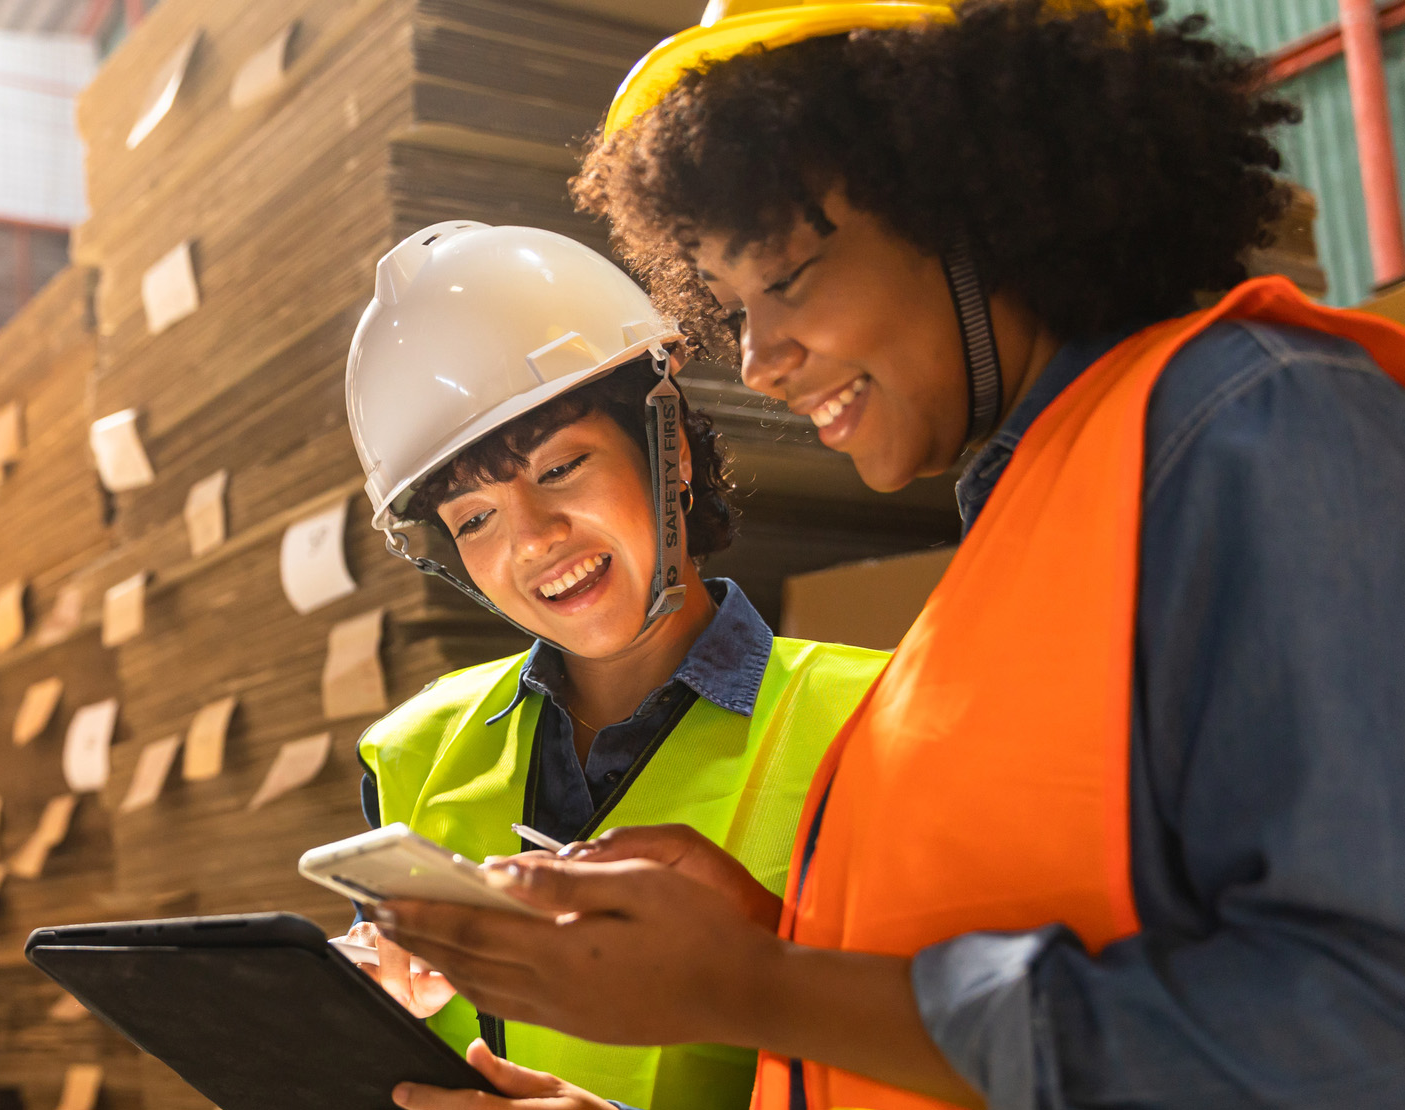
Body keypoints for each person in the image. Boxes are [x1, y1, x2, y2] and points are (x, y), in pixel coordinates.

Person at [371, 2, 1405, 1109]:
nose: (759, 360)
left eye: (789, 278)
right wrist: (771, 956)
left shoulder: (1254, 424)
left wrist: (755, 985)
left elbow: (1358, 1032)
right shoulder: (1030, 526)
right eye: (731, 308)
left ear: (977, 198)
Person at [337, 219, 889, 1110]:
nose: (532, 540)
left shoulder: (876, 720)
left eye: (559, 468)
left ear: (666, 449)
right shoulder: (412, 752)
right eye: (474, 519)